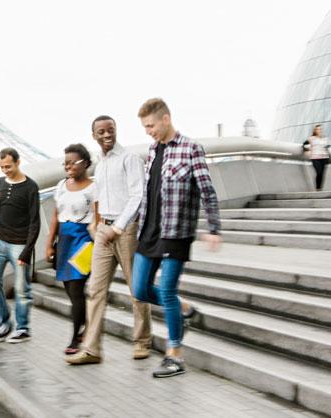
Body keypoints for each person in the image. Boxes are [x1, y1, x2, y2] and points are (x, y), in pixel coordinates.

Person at [133, 98, 221, 378]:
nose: (148, 131)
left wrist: (214, 228)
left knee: (167, 291)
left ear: (166, 119)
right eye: (145, 127)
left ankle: (175, 354)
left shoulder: (191, 149)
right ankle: (183, 308)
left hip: (176, 233)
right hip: (149, 232)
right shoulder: (152, 150)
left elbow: (207, 190)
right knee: (140, 290)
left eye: (151, 125)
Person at [66, 116, 153, 365]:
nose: (106, 135)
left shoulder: (129, 159)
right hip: (104, 230)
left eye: (110, 130)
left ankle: (142, 342)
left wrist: (118, 226)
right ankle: (92, 349)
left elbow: (138, 195)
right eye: (101, 131)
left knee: (137, 288)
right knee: (94, 290)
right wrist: (97, 224)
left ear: (116, 131)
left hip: (126, 230)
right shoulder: (100, 164)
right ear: (93, 135)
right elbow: (99, 197)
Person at [0, 148, 41, 344]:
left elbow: (35, 222)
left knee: (21, 289)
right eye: (2, 167)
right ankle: (4, 323)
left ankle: (23, 328)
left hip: (20, 244)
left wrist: (27, 251)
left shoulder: (30, 187)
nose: (5, 170)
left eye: (8, 166)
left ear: (18, 162)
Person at [46, 143, 96, 354]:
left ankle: (77, 336)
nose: (67, 166)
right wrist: (49, 244)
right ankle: (84, 327)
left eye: (71, 162)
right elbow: (56, 216)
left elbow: (98, 217)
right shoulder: (61, 186)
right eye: (64, 163)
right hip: (64, 241)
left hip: (84, 241)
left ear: (84, 163)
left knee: (76, 289)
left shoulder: (94, 187)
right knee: (70, 290)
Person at [302, 124, 330, 191]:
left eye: (320, 129)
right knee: (319, 172)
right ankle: (317, 188)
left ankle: (319, 188)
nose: (319, 130)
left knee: (322, 174)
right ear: (315, 130)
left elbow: (326, 147)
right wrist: (307, 150)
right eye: (317, 129)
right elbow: (304, 144)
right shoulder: (311, 138)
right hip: (315, 158)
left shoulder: (325, 138)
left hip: (324, 158)